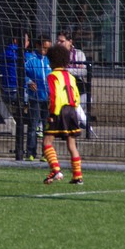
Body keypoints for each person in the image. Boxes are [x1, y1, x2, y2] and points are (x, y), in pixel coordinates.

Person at [41, 44, 84, 185]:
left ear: (52, 61)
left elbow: (54, 96)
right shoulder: (70, 76)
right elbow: (76, 95)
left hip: (59, 110)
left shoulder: (52, 76)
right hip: (71, 110)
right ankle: (77, 176)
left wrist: (52, 113)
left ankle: (55, 170)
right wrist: (73, 107)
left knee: (47, 142)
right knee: (72, 144)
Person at [24, 35, 52, 160]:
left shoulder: (50, 60)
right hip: (34, 97)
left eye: (48, 48)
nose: (45, 51)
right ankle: (30, 153)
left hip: (48, 98)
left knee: (47, 127)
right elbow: (21, 73)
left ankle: (46, 153)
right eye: (44, 48)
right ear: (37, 46)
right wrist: (28, 81)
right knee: (33, 125)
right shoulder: (29, 59)